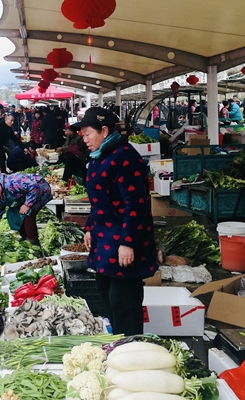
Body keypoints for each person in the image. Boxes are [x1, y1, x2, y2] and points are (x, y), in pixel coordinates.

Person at [73, 107, 157, 336]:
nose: (84, 139)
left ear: (104, 130)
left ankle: (131, 348)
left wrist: (128, 242)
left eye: (87, 133)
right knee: (108, 299)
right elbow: (99, 201)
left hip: (122, 241)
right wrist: (89, 228)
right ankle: (120, 344)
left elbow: (136, 203)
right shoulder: (100, 156)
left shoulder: (125, 157)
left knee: (124, 304)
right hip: (103, 241)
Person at [0, 173, 53, 246]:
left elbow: (34, 187)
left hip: (40, 190)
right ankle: (25, 237)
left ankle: (34, 242)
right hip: (23, 196)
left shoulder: (12, 183)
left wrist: (27, 204)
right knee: (13, 214)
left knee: (28, 214)